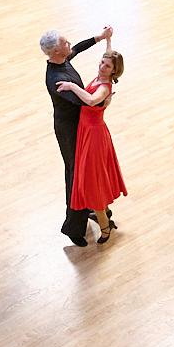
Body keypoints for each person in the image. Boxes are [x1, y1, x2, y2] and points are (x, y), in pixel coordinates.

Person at [40, 26, 114, 247]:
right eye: (65, 43)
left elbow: (78, 48)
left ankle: (92, 206)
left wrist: (100, 38)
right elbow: (86, 102)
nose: (69, 44)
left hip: (81, 126)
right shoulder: (57, 79)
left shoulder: (61, 60)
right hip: (69, 131)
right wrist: (105, 97)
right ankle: (73, 227)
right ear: (56, 51)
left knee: (85, 172)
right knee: (75, 175)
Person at [57, 39, 127, 245]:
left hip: (94, 137)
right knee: (97, 176)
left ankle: (105, 227)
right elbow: (110, 55)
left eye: (107, 66)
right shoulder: (102, 76)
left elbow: (90, 100)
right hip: (89, 132)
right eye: (102, 62)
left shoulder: (104, 87)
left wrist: (71, 86)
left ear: (114, 71)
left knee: (92, 180)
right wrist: (107, 39)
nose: (102, 66)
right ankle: (103, 213)